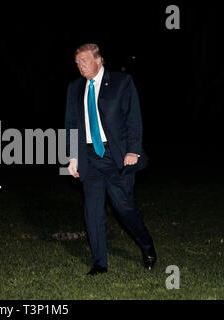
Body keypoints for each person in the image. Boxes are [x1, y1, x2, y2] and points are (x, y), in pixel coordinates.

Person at [65, 43, 156, 275]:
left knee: (123, 208)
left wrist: (133, 150)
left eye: (84, 60)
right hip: (89, 157)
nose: (80, 66)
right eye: (77, 62)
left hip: (116, 157)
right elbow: (72, 125)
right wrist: (72, 158)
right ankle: (99, 263)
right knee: (92, 210)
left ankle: (146, 245)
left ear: (99, 60)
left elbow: (133, 117)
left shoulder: (121, 82)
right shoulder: (75, 87)